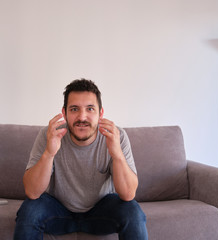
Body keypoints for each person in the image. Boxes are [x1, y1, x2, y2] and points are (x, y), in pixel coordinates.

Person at [14, 79, 148, 240]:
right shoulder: (49, 135)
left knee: (132, 211)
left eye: (90, 109)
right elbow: (32, 192)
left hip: (101, 211)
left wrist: (117, 154)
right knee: (30, 210)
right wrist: (49, 153)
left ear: (101, 113)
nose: (82, 117)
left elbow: (128, 194)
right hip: (58, 211)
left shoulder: (116, 136)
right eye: (74, 109)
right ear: (64, 113)